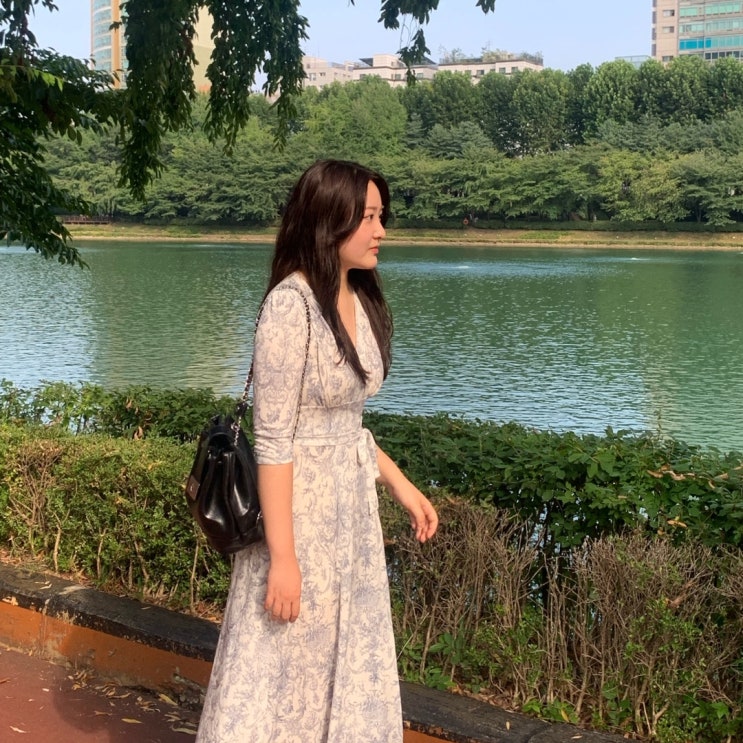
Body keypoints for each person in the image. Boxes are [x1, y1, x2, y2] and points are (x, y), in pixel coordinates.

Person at [195, 159, 439, 743]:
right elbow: (276, 442)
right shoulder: (291, 307)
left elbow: (345, 427)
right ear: (331, 221)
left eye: (381, 217)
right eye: (369, 218)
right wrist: (283, 557)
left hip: (349, 521)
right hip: (298, 521)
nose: (381, 231)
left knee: (342, 658)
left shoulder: (356, 295)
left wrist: (400, 484)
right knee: (284, 667)